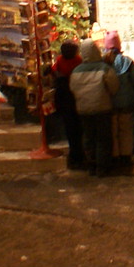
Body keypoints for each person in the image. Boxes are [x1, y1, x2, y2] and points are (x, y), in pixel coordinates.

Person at [70, 40, 120, 176]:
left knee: (88, 137)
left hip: (83, 109)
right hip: (102, 108)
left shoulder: (76, 71)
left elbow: (73, 89)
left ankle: (91, 166)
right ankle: (102, 168)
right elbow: (114, 87)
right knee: (103, 138)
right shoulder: (105, 68)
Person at [100, 30, 134, 173]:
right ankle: (126, 156)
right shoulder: (127, 62)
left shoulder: (103, 63)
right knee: (126, 130)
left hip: (108, 103)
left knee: (113, 130)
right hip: (126, 102)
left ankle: (115, 156)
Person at [51, 39, 85, 170]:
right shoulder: (78, 61)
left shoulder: (60, 60)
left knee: (70, 130)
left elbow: (54, 72)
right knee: (79, 129)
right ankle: (80, 155)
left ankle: (74, 155)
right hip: (77, 98)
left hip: (64, 100)